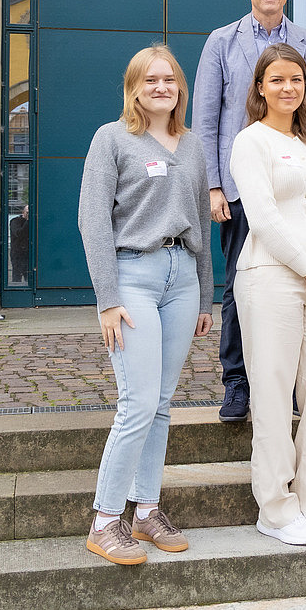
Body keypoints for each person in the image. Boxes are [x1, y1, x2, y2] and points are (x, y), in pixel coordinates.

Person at [78, 44, 214, 565]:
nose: (162, 87)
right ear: (134, 87)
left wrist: (205, 295)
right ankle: (105, 521)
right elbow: (93, 219)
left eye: (170, 80)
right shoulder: (112, 139)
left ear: (180, 88)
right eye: (150, 80)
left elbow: (201, 226)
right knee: (135, 403)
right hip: (132, 274)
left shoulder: (194, 145)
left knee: (160, 403)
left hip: (182, 277)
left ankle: (147, 510)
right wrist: (107, 300)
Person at [193, 0, 306, 423]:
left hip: (300, 188)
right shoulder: (221, 42)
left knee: (303, 280)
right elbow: (206, 119)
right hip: (243, 191)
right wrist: (215, 187)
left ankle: (294, 383)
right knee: (243, 287)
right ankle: (238, 383)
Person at [230, 43, 306, 546]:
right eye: (277, 79)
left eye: (296, 80)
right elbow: (263, 218)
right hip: (270, 277)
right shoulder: (249, 142)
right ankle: (276, 510)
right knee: (274, 395)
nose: (288, 88)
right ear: (260, 87)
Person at [9, 204, 29, 283]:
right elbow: (19, 233)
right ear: (23, 212)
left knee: (29, 277)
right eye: (27, 212)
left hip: (28, 254)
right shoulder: (15, 221)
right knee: (17, 278)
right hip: (18, 254)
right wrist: (27, 221)